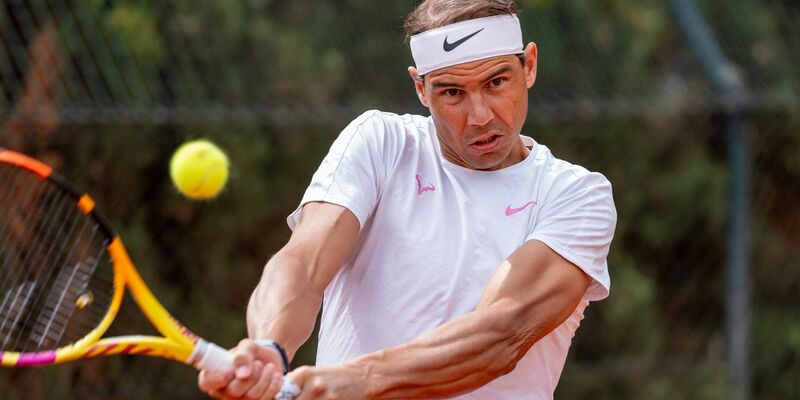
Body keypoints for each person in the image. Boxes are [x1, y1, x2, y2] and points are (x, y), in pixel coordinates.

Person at [198, 0, 617, 398]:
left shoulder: (577, 197)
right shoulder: (380, 142)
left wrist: (360, 380)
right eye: (452, 92)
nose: (480, 116)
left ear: (529, 65)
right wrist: (270, 347)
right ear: (420, 88)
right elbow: (303, 262)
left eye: (496, 82)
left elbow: (499, 334)